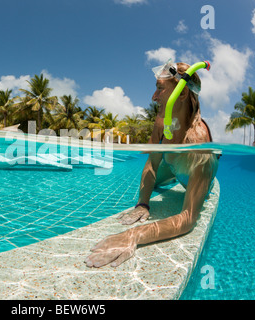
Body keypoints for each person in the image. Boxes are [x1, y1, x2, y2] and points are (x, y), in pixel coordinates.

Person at [85, 61, 220, 268]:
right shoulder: (160, 122)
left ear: (181, 95)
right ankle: (168, 179)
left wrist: (134, 235)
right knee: (154, 183)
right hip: (174, 166)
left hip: (195, 171)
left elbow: (187, 218)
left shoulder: (200, 145)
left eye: (159, 88)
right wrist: (143, 203)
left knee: (194, 189)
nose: (153, 97)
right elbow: (151, 164)